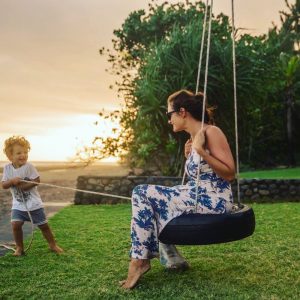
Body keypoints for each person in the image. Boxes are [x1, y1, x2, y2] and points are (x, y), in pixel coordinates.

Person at [120, 90, 235, 289]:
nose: (168, 120)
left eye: (169, 114)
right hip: (198, 196)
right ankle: (164, 256)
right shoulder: (192, 140)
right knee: (147, 198)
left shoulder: (211, 132)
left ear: (182, 112)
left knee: (141, 192)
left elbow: (229, 173)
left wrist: (201, 152)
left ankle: (139, 261)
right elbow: (202, 175)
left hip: (215, 200)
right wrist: (191, 155)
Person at [1, 135, 63, 256]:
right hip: (18, 205)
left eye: (25, 152)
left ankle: (53, 245)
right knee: (15, 225)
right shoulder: (7, 168)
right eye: (19, 153)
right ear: (10, 156)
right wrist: (12, 181)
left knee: (44, 226)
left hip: (34, 204)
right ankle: (19, 248)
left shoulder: (29, 167)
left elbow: (37, 180)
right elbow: (4, 185)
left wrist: (24, 186)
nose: (23, 155)